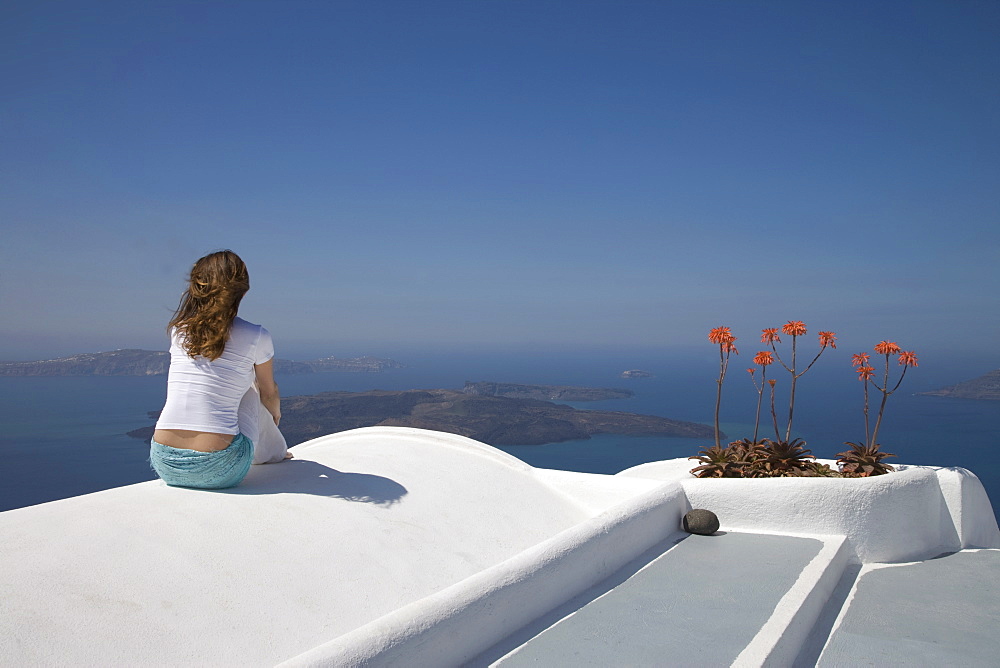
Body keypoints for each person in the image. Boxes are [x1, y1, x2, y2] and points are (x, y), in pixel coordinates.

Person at [150, 250, 290, 490]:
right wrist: (274, 416)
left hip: (165, 463)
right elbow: (269, 392)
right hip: (221, 467)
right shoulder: (256, 335)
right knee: (251, 386)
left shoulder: (179, 331)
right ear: (243, 291)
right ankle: (275, 453)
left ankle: (273, 451)